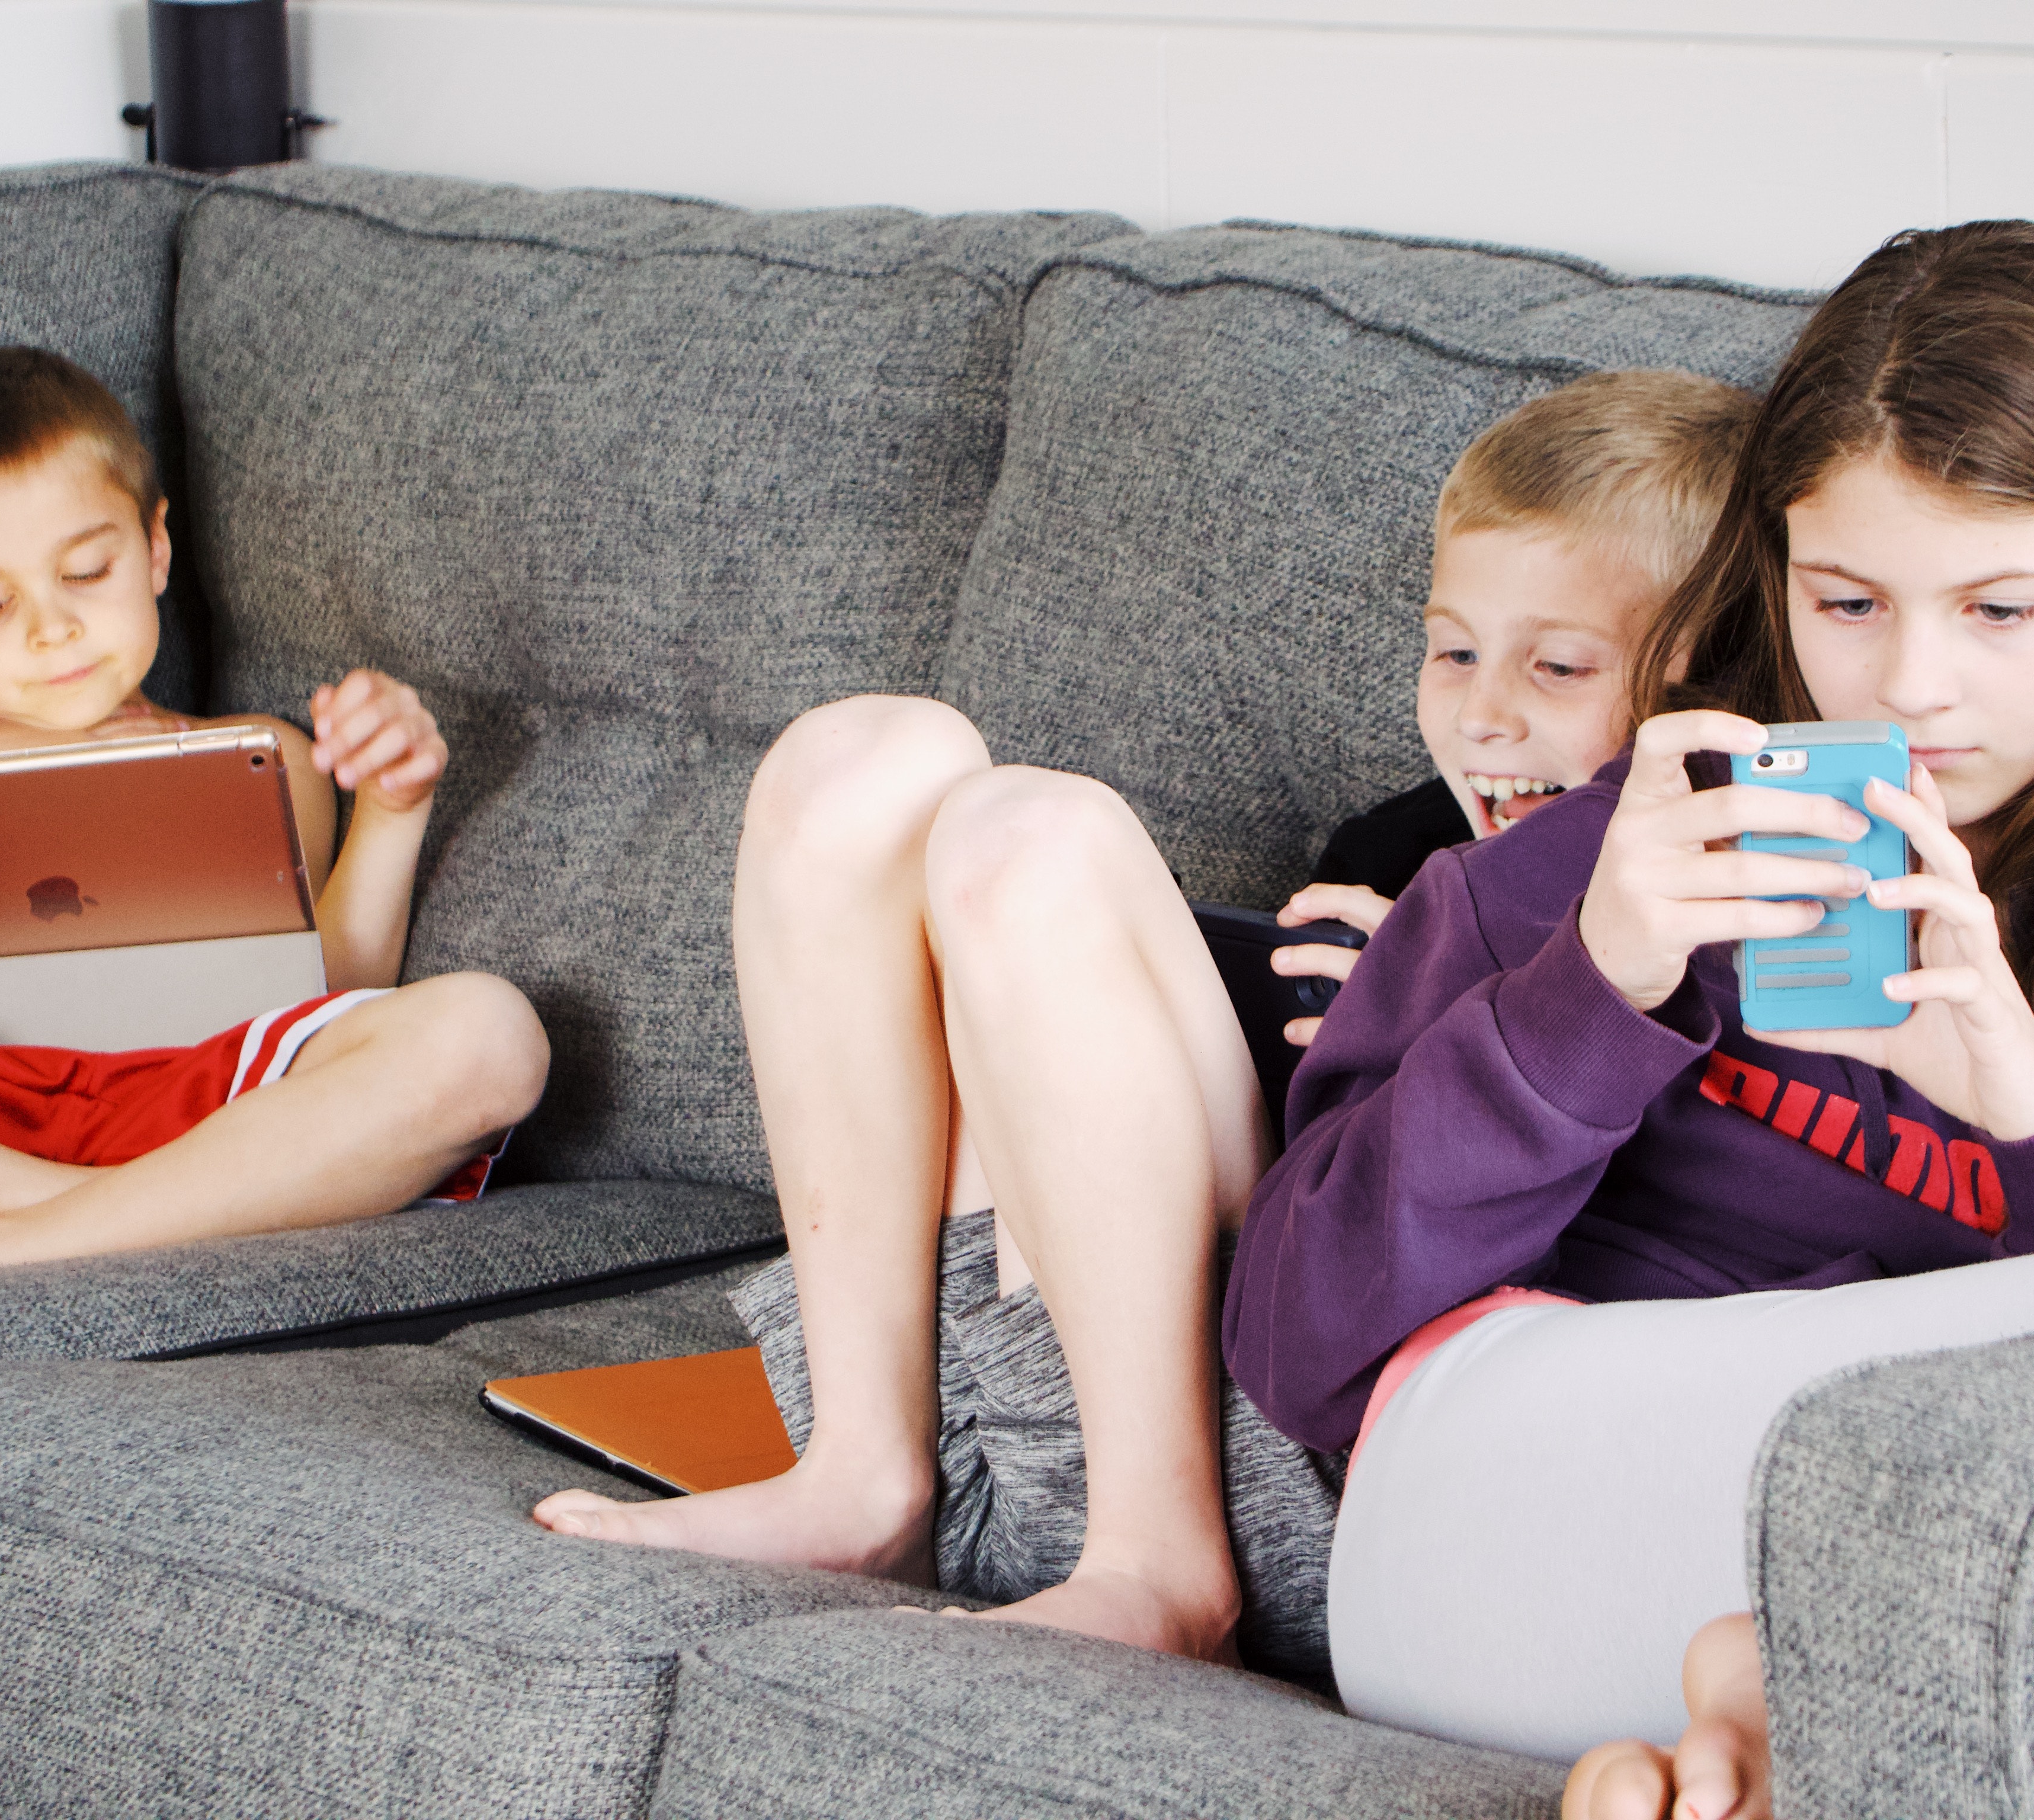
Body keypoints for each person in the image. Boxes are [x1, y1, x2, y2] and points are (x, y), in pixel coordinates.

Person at [1216, 222, 2034, 1817]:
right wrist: (1589, 1000)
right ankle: (1769, 1677)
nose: (1912, 689)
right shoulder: (1588, 864)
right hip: (1506, 1523)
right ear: (1774, 579)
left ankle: (1746, 1720)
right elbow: (1292, 1339)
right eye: (1847, 603)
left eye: (2001, 610)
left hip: (1978, 1581)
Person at [531, 370, 1757, 1672]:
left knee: (1030, 838)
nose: (1482, 713)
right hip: (998, 1399)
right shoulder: (1399, 851)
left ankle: (1162, 1570)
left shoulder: (1716, 915)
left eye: (1557, 665)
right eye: (1451, 649)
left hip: (1285, 1456)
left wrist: (1430, 1037)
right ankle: (860, 1481)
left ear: (1698, 682)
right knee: (861, 759)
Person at [0, 347, 549, 1292]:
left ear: (156, 549)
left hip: (193, 1101)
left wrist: (393, 806)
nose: (52, 630)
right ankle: (128, 1214)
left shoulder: (259, 756)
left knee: (490, 1035)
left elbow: (331, 987)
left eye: (86, 571)